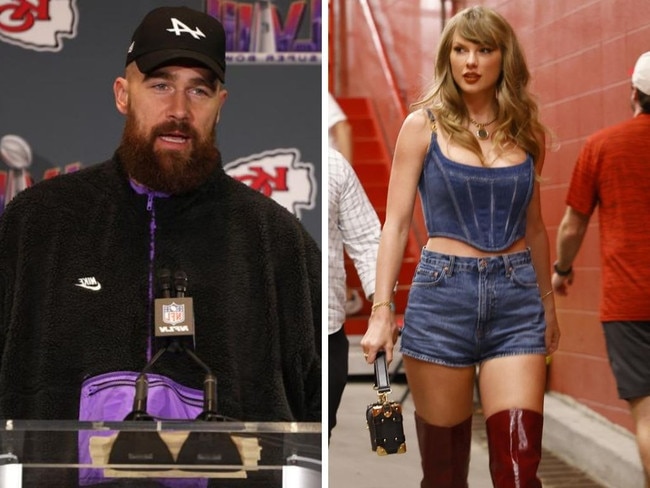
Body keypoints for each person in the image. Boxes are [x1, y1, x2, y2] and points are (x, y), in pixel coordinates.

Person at [0, 6, 321, 487]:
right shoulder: (38, 221)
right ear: (122, 95)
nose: (179, 110)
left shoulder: (274, 238)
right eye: (160, 85)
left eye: (199, 89)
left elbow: (315, 391)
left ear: (221, 102)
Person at [361, 6, 560, 487]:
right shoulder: (422, 126)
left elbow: (534, 227)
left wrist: (548, 304)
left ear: (503, 58)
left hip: (517, 301)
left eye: (484, 50)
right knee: (445, 475)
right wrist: (382, 310)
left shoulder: (527, 131)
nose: (471, 61)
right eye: (460, 49)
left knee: (519, 470)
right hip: (442, 297)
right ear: (448, 57)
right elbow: (396, 223)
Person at [552, 51, 650, 486]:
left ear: (634, 93)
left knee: (647, 416)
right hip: (627, 304)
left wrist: (561, 268)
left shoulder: (603, 145)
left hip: (629, 304)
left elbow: (573, 223)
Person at [328, 148, 380, 439]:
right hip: (252, 336)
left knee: (320, 443)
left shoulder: (334, 165)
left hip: (326, 331)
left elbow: (367, 240)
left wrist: (381, 308)